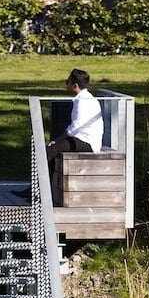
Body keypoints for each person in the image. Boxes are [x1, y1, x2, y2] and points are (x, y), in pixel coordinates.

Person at [45, 68, 104, 204]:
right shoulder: (85, 98)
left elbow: (75, 127)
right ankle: (43, 189)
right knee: (53, 151)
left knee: (50, 150)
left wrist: (57, 140)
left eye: (68, 81)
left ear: (75, 85)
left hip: (87, 142)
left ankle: (39, 190)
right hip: (82, 138)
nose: (66, 84)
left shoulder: (82, 101)